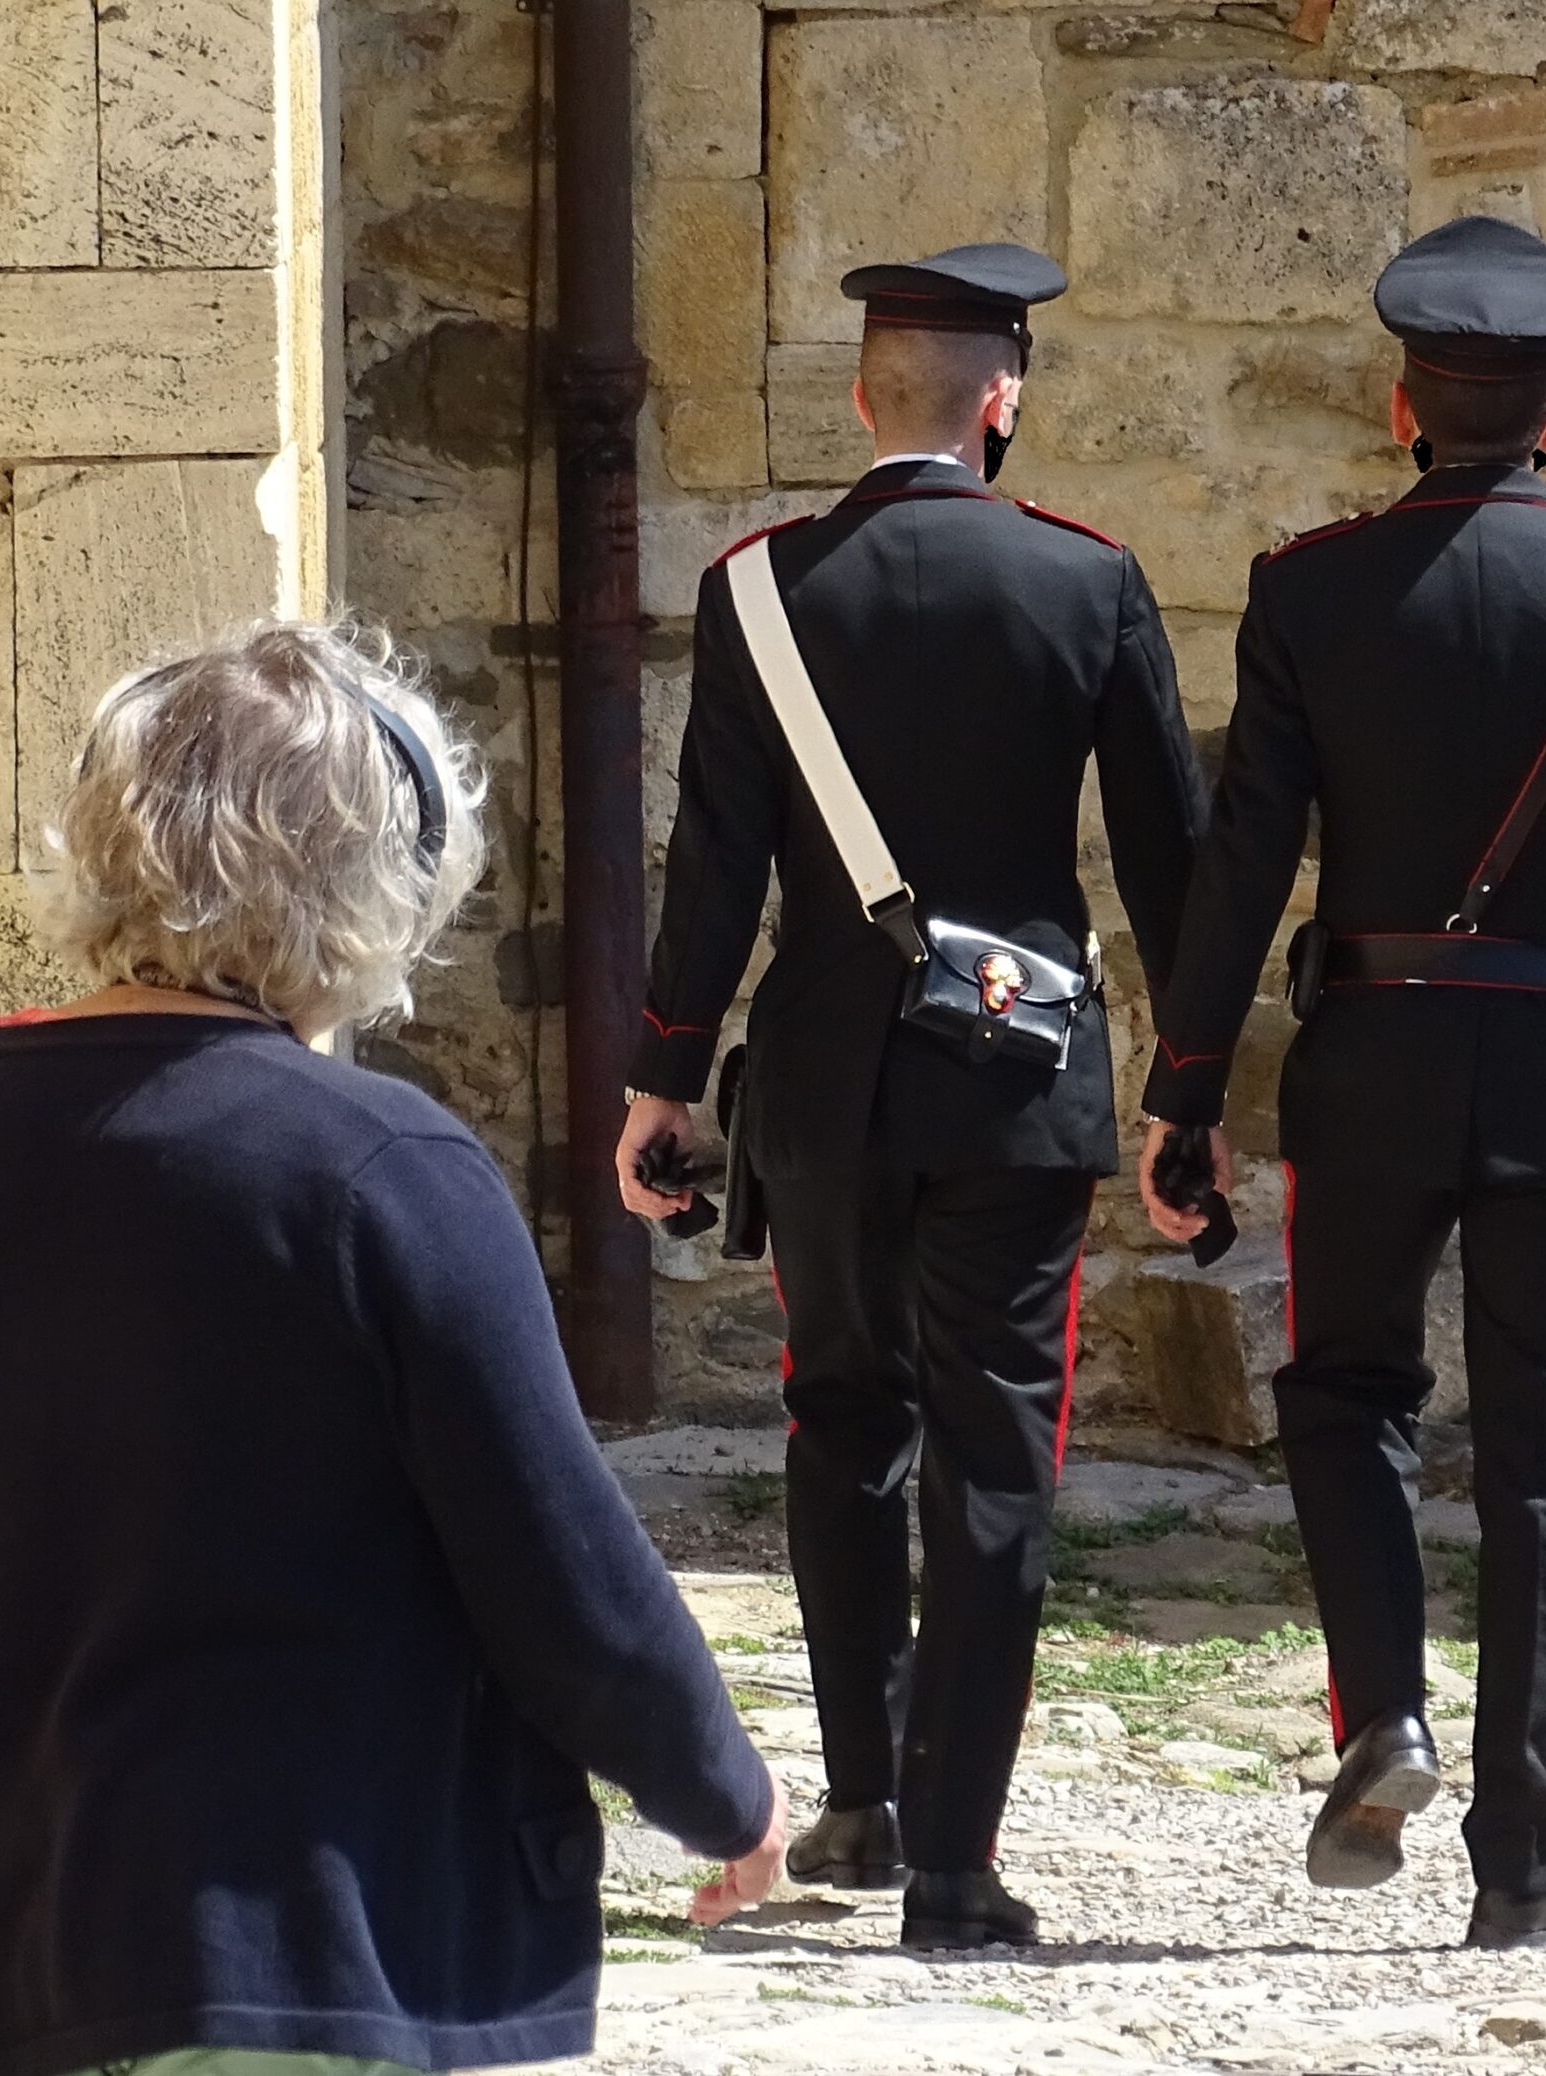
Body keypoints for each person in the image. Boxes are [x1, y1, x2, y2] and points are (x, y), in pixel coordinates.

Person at [0, 623, 787, 2076]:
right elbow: (565, 1580)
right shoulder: (382, 1167)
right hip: (291, 1960)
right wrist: (725, 1794)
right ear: (371, 881)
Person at [1136, 217, 1546, 1950]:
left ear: (1400, 402)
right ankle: (1525, 1857)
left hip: (1368, 1065)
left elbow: (1244, 862)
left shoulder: (1306, 586)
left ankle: (1382, 1710)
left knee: (1346, 1394)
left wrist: (1183, 1088)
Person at [614, 245, 1206, 1949]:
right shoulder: (1088, 583)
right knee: (997, 1462)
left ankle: (861, 1801)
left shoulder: (760, 590)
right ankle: (954, 1864)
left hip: (815, 1088)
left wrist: (665, 1078)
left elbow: (715, 869)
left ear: (867, 396)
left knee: (841, 1421)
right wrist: (1191, 1088)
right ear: (1000, 403)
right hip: (1016, 1087)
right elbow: (1170, 863)